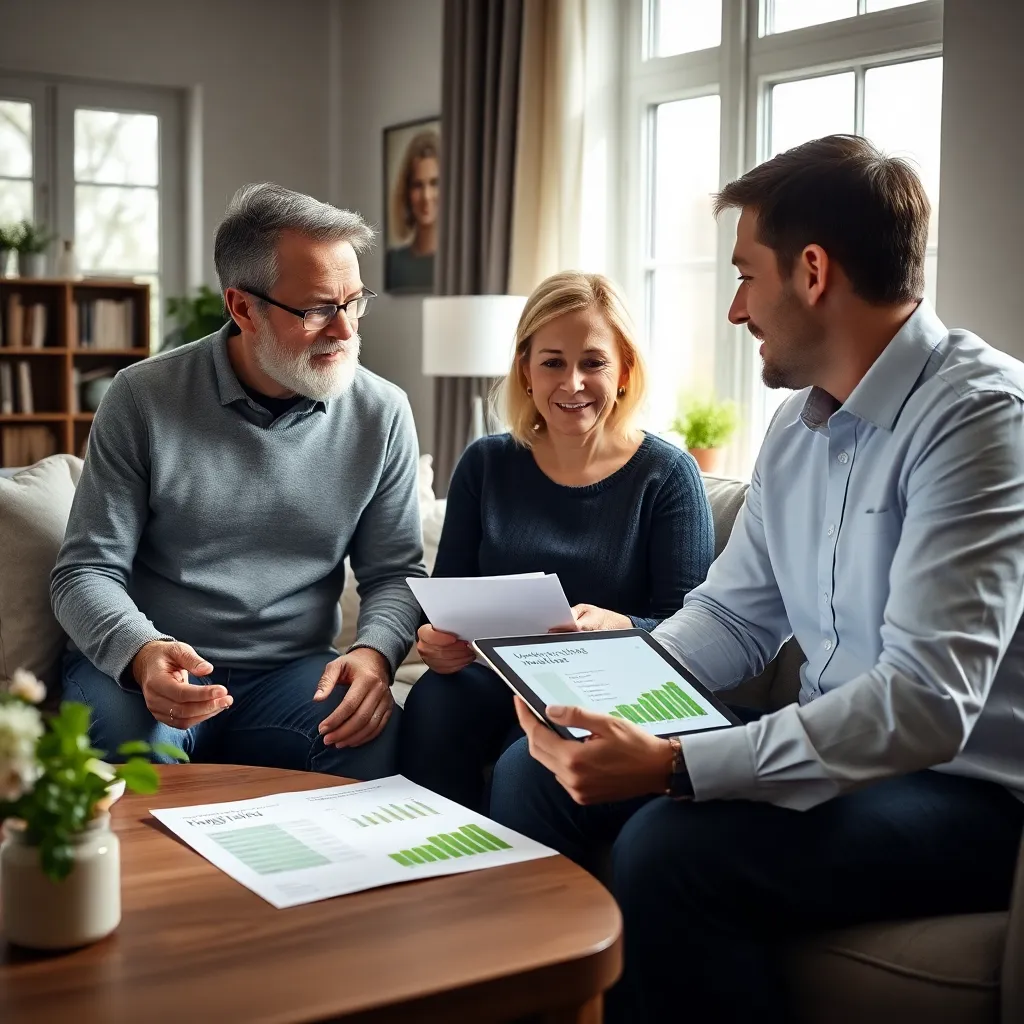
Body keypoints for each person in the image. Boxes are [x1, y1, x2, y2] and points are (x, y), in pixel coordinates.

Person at [489, 135, 1024, 1023]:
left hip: (963, 791)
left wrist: (674, 766)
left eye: (746, 275)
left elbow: (924, 707)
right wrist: (594, 682)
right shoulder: (798, 428)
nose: (738, 309)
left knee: (670, 849)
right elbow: (733, 619)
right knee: (531, 770)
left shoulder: (979, 423)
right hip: (837, 750)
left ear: (812, 271)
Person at [51, 182, 426, 780]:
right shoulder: (142, 398)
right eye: (318, 309)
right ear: (243, 307)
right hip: (146, 667)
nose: (346, 330)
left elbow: (396, 574)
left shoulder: (383, 412)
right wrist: (143, 653)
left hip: (288, 672)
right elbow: (84, 573)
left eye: (354, 302)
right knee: (134, 755)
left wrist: (374, 653)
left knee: (369, 734)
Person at [398, 271, 715, 810]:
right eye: (552, 362)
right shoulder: (485, 463)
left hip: (602, 688)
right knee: (434, 700)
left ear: (623, 371)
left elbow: (697, 629)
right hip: (494, 675)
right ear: (526, 370)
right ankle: (438, 868)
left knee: (533, 753)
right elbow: (447, 600)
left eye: (593, 362)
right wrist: (437, 645)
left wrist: (623, 626)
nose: (571, 383)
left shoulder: (666, 475)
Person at [385, 129, 440, 293]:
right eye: (418, 185)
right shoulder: (394, 262)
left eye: (434, 183)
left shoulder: (459, 264)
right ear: (407, 192)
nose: (426, 196)